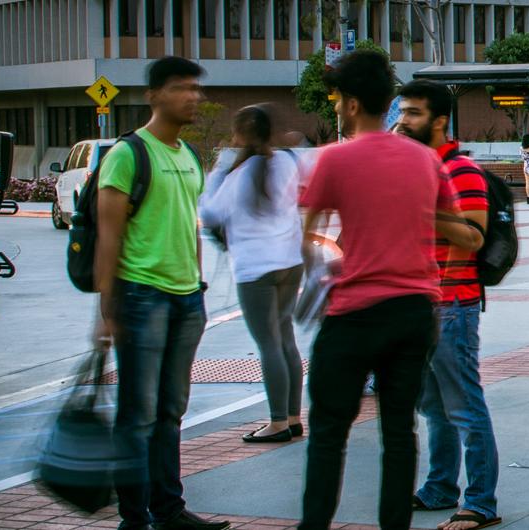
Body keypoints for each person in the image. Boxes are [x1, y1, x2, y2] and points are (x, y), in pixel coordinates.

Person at [297, 50, 482, 530]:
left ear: (353, 104)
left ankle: (314, 524)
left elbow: (307, 233)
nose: (337, 106)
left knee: (328, 432)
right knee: (399, 432)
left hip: (355, 312)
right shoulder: (425, 160)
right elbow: (452, 222)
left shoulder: (333, 159)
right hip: (416, 312)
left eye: (338, 99)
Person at [89, 56, 230, 530]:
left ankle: (169, 509)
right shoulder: (128, 154)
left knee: (171, 411)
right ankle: (135, 517)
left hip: (187, 298)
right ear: (153, 95)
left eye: (196, 88)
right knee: (138, 414)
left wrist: (198, 284)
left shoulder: (189, 156)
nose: (194, 96)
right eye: (181, 88)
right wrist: (106, 311)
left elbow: (188, 226)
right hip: (141, 297)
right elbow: (109, 237)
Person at [394, 80, 503, 530]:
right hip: (416, 303)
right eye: (401, 112)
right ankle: (440, 486)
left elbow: (474, 237)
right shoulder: (411, 169)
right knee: (432, 406)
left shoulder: (462, 172)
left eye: (414, 113)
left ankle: (480, 502)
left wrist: (423, 205)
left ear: (440, 120)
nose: (403, 121)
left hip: (451, 305)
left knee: (464, 404)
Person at [199, 104, 305, 445]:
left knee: (269, 343)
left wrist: (219, 169)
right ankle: (293, 416)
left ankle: (276, 422)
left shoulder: (237, 175)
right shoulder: (286, 162)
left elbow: (210, 213)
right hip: (290, 262)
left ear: (241, 134)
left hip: (255, 269)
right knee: (286, 337)